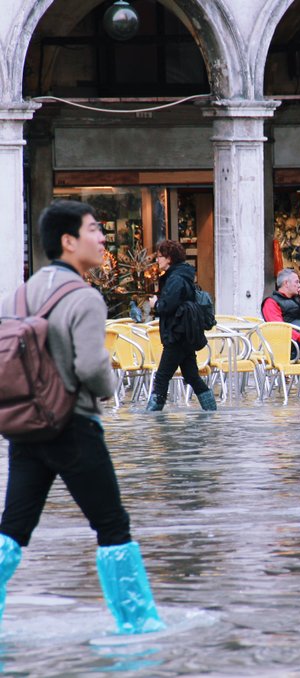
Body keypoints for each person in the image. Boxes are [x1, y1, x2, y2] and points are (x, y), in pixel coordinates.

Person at [0, 200, 165, 634]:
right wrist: (110, 390)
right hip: (74, 426)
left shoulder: (15, 296)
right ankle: (139, 626)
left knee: (13, 528)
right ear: (68, 241)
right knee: (111, 524)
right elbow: (91, 367)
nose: (102, 238)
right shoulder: (84, 297)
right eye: (94, 230)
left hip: (25, 428)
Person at [146, 239, 216, 411]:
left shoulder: (176, 278)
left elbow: (168, 305)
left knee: (162, 377)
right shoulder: (180, 276)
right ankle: (211, 410)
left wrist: (156, 304)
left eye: (160, 257)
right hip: (185, 333)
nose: (158, 260)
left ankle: (152, 415)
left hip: (177, 334)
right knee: (192, 376)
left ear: (169, 258)